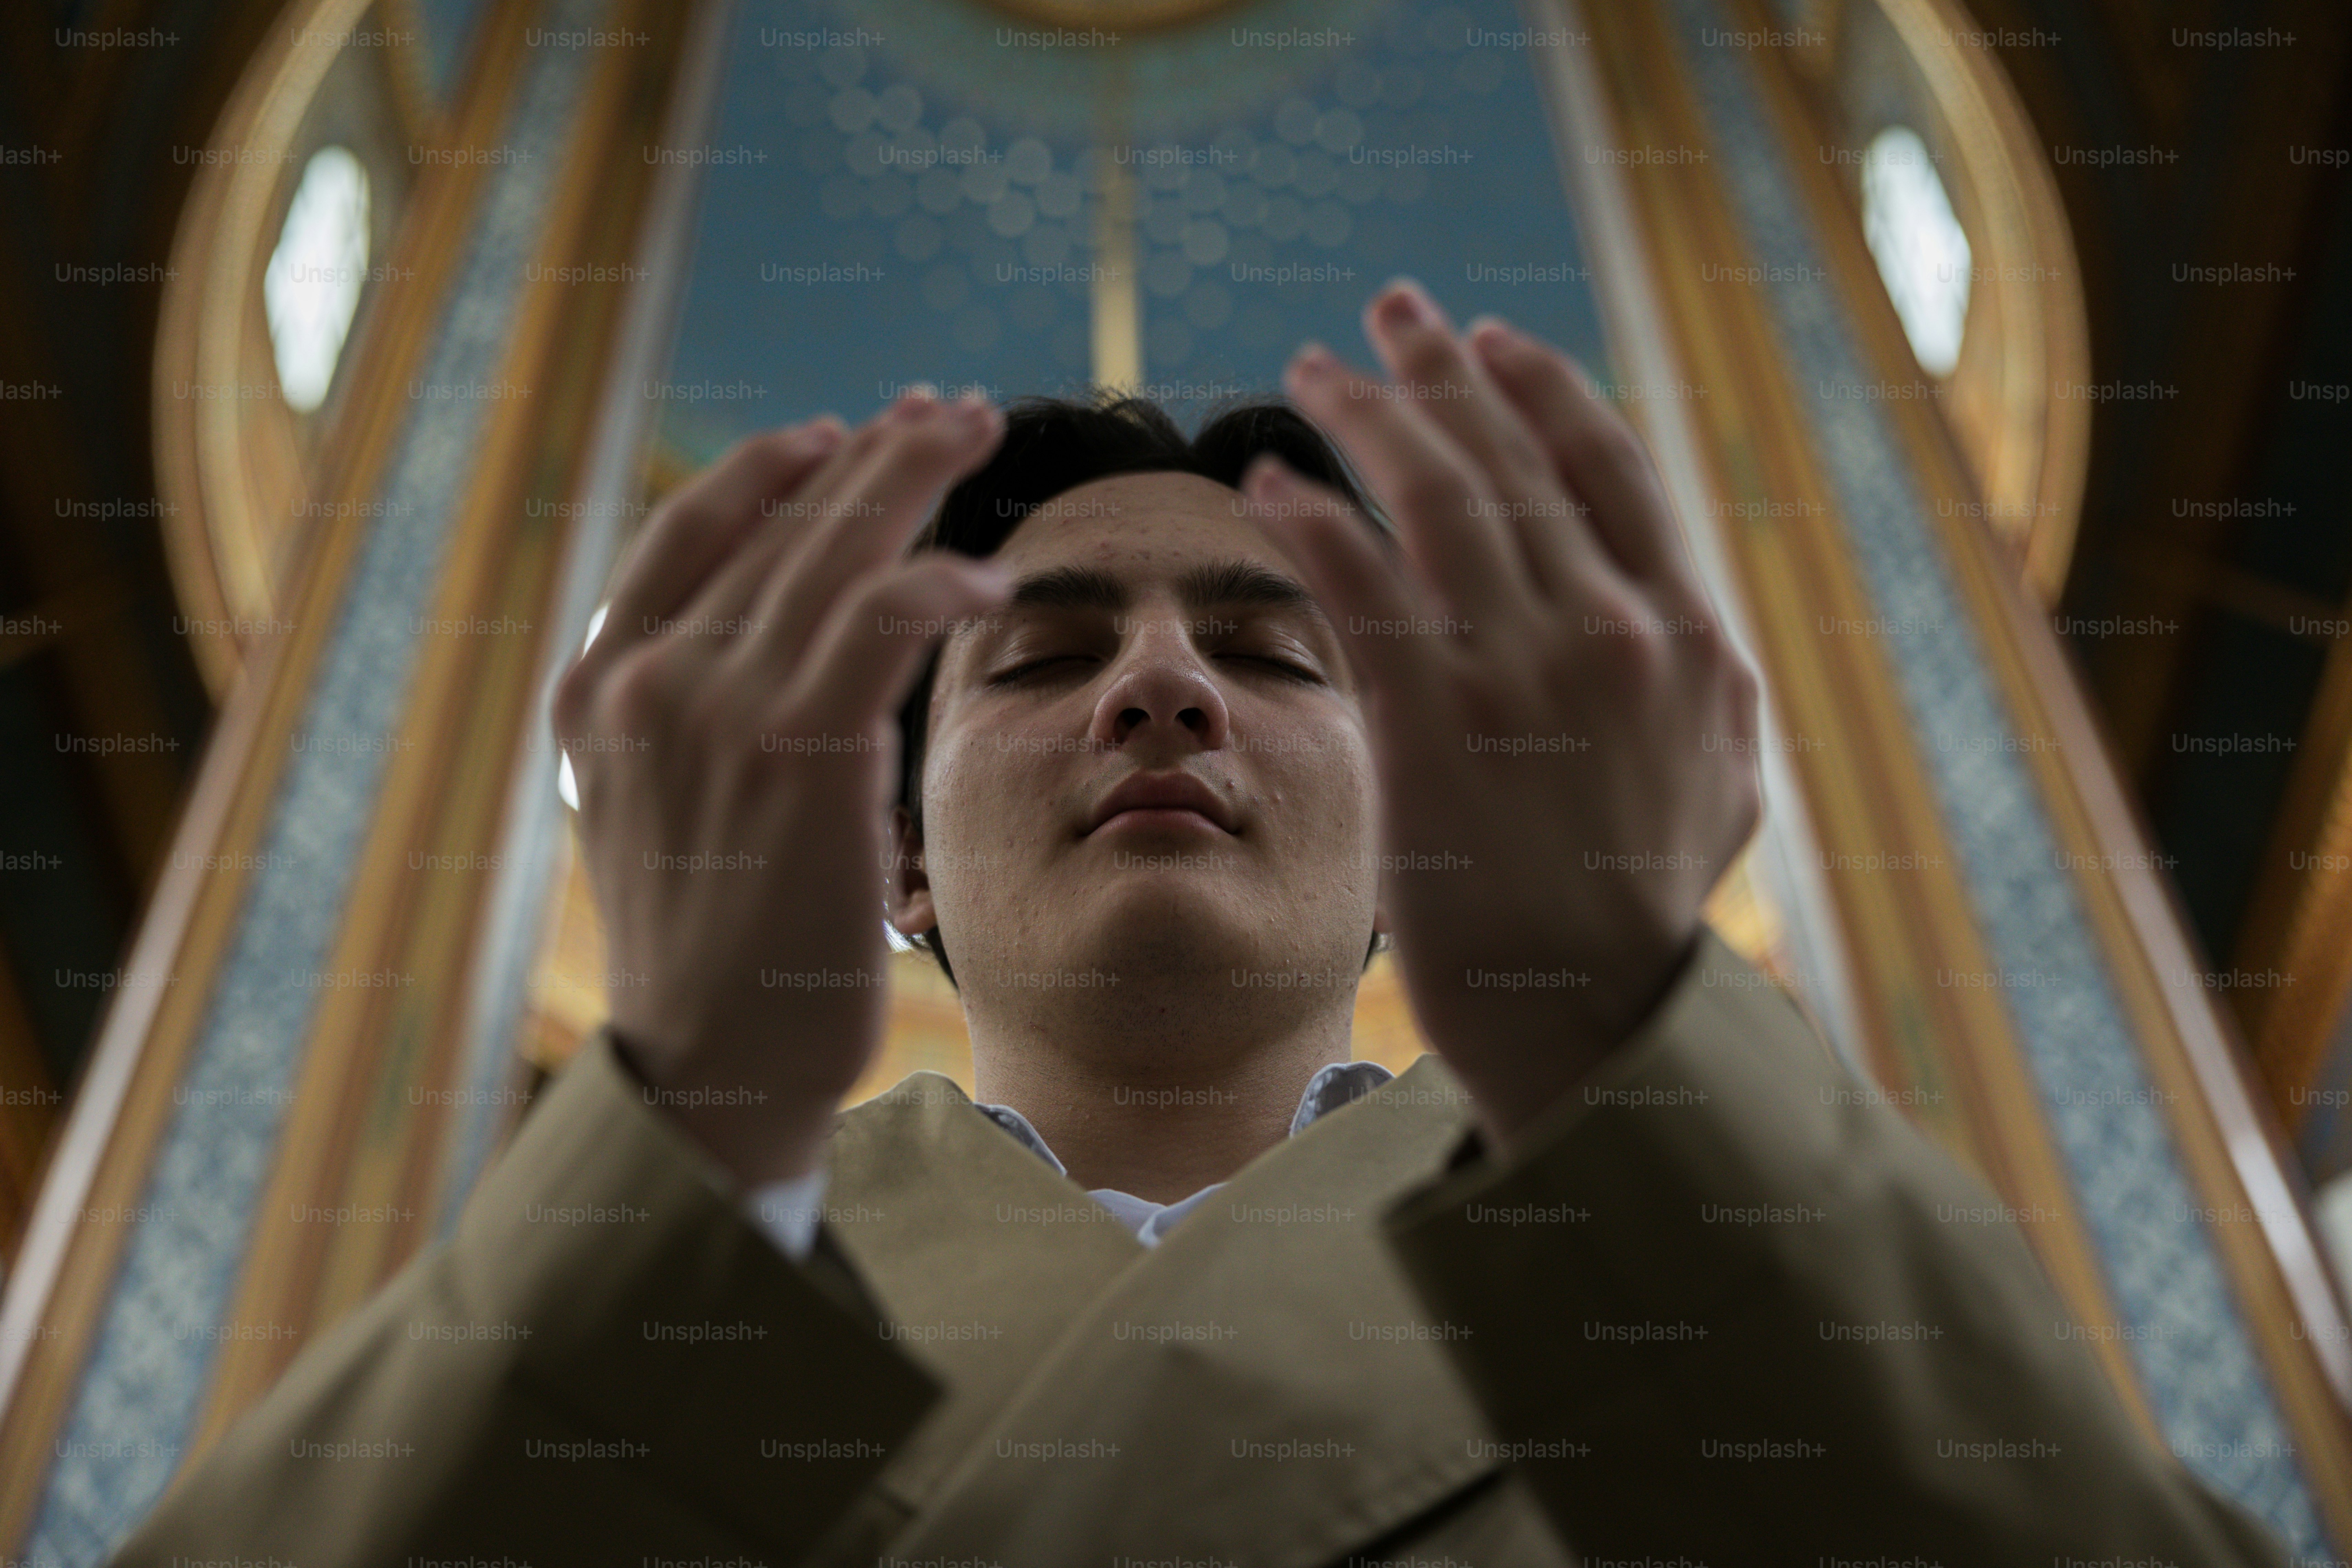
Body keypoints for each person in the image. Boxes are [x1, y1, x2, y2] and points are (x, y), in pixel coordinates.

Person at [106, 281, 2292, 1566]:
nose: (1159, 681)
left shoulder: (1710, 1254)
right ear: (889, 858)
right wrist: (687, 1108)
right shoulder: (634, 1286)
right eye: (1043, 656)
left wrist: (1623, 1031)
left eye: (1272, 648)